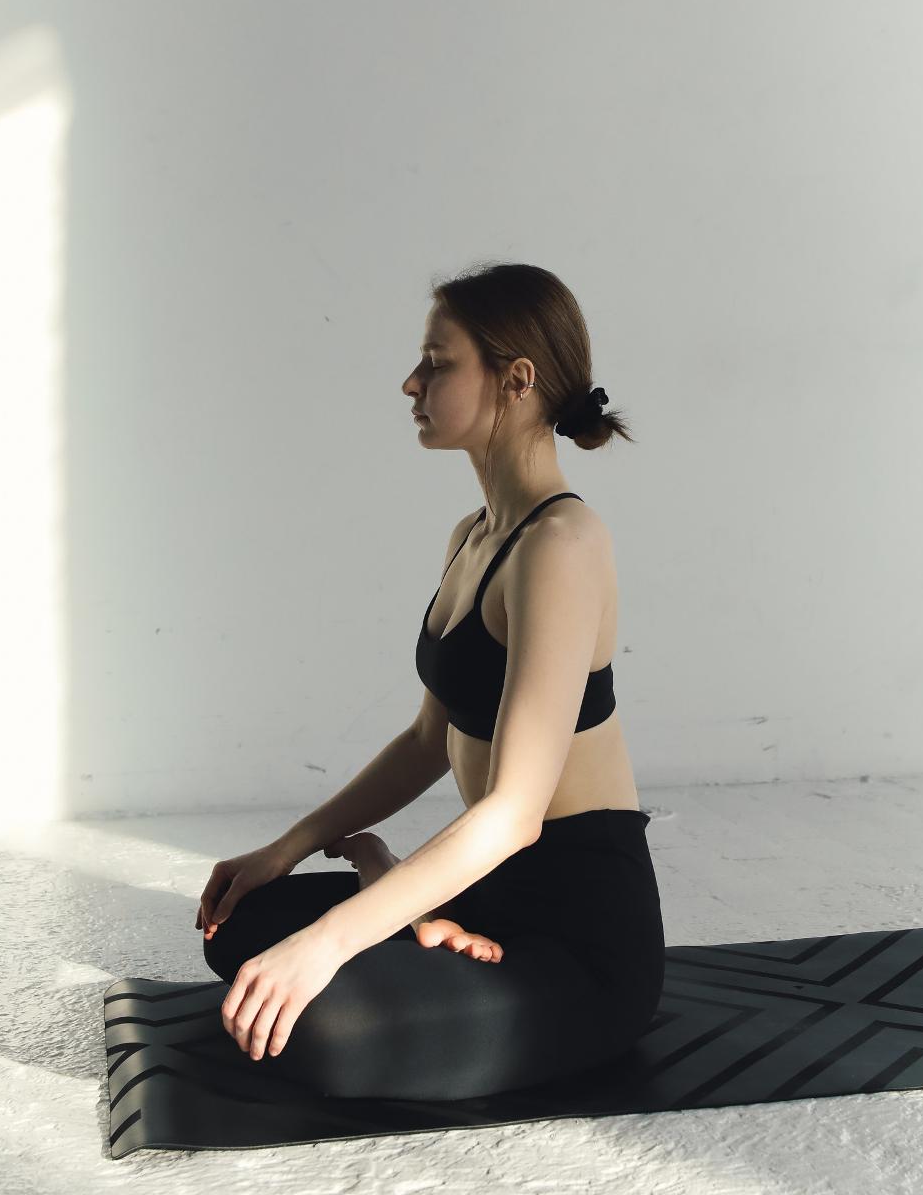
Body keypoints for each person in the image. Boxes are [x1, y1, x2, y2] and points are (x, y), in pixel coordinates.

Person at [197, 262, 662, 1101]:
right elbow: (425, 743)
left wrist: (331, 940)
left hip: (578, 936)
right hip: (489, 895)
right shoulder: (474, 536)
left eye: (438, 363)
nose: (412, 383)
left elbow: (515, 814)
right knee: (246, 923)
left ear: (516, 380)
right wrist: (285, 849)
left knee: (318, 1026)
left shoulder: (563, 546)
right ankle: (416, 917)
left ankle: (407, 917)